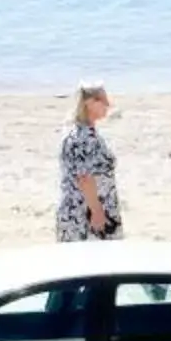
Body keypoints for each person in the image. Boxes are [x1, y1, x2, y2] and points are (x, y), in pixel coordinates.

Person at [56, 83, 123, 240]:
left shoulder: (79, 131)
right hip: (85, 213)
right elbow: (85, 178)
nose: (108, 104)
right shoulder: (83, 137)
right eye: (102, 100)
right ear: (88, 103)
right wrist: (97, 212)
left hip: (81, 209)